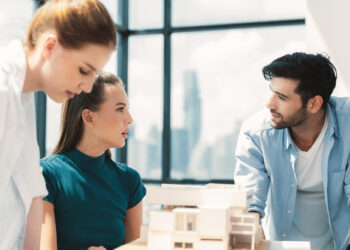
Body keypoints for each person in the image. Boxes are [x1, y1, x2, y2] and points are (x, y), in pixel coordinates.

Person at [0, 0, 116, 249]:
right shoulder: (2, 90)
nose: (87, 87)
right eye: (84, 71)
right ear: (50, 47)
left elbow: (31, 196)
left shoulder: (23, 96)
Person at [234, 52, 350, 250]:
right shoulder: (256, 133)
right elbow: (249, 199)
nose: (270, 104)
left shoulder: (347, 123)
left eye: (282, 97)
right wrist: (252, 232)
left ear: (314, 104)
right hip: (279, 244)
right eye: (272, 92)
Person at [39, 71, 146, 250]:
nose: (130, 119)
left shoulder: (129, 181)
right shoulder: (46, 175)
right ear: (89, 117)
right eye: (120, 109)